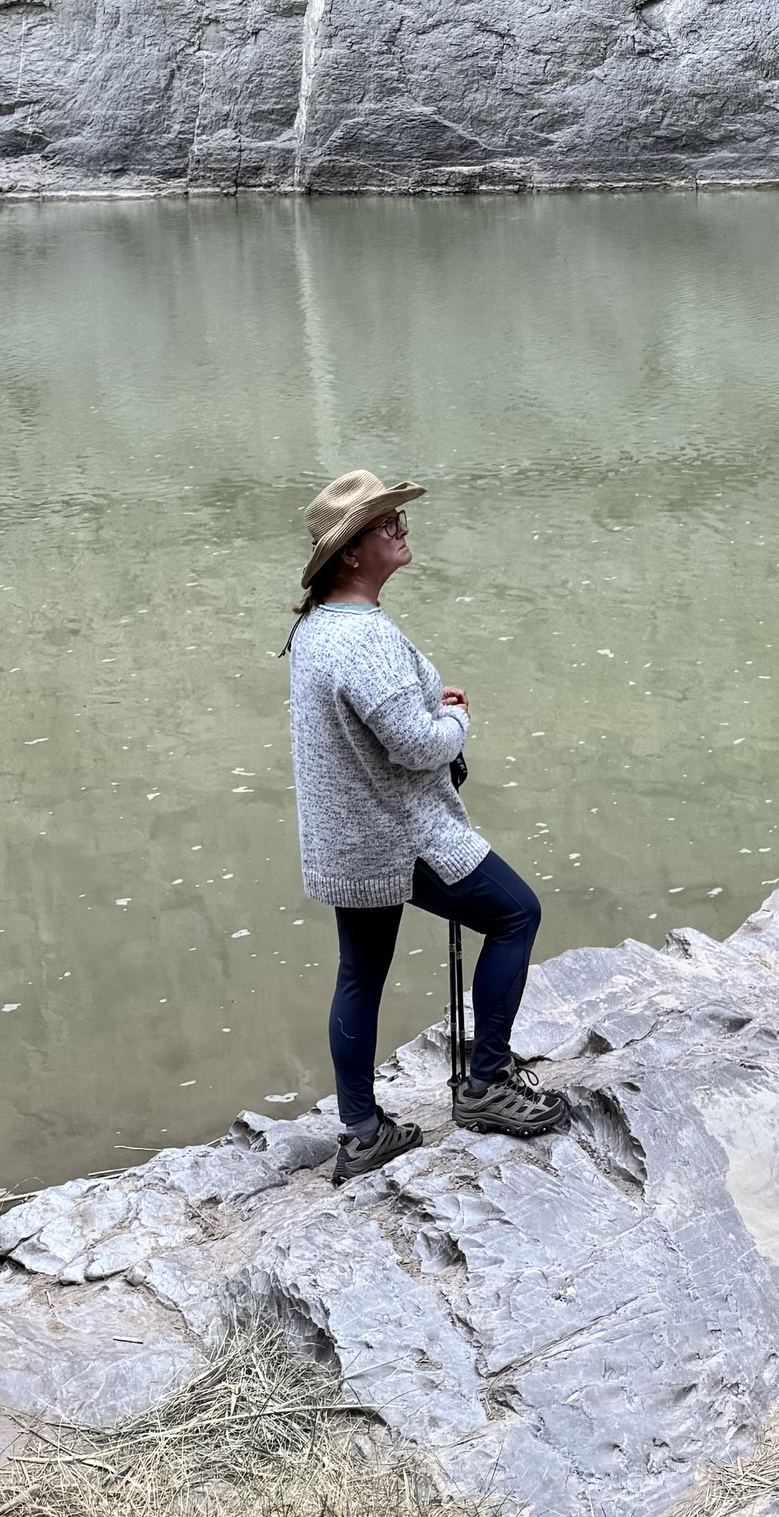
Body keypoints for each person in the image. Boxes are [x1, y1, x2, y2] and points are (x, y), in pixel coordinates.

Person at [286, 468, 568, 1175]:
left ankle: (362, 1131)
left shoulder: (318, 628)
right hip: (401, 833)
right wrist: (454, 718)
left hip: (345, 834)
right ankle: (486, 1084)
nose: (402, 530)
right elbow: (415, 745)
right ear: (351, 552)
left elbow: (372, 718)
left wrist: (418, 702)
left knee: (360, 974)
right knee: (515, 915)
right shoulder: (366, 636)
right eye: (387, 525)